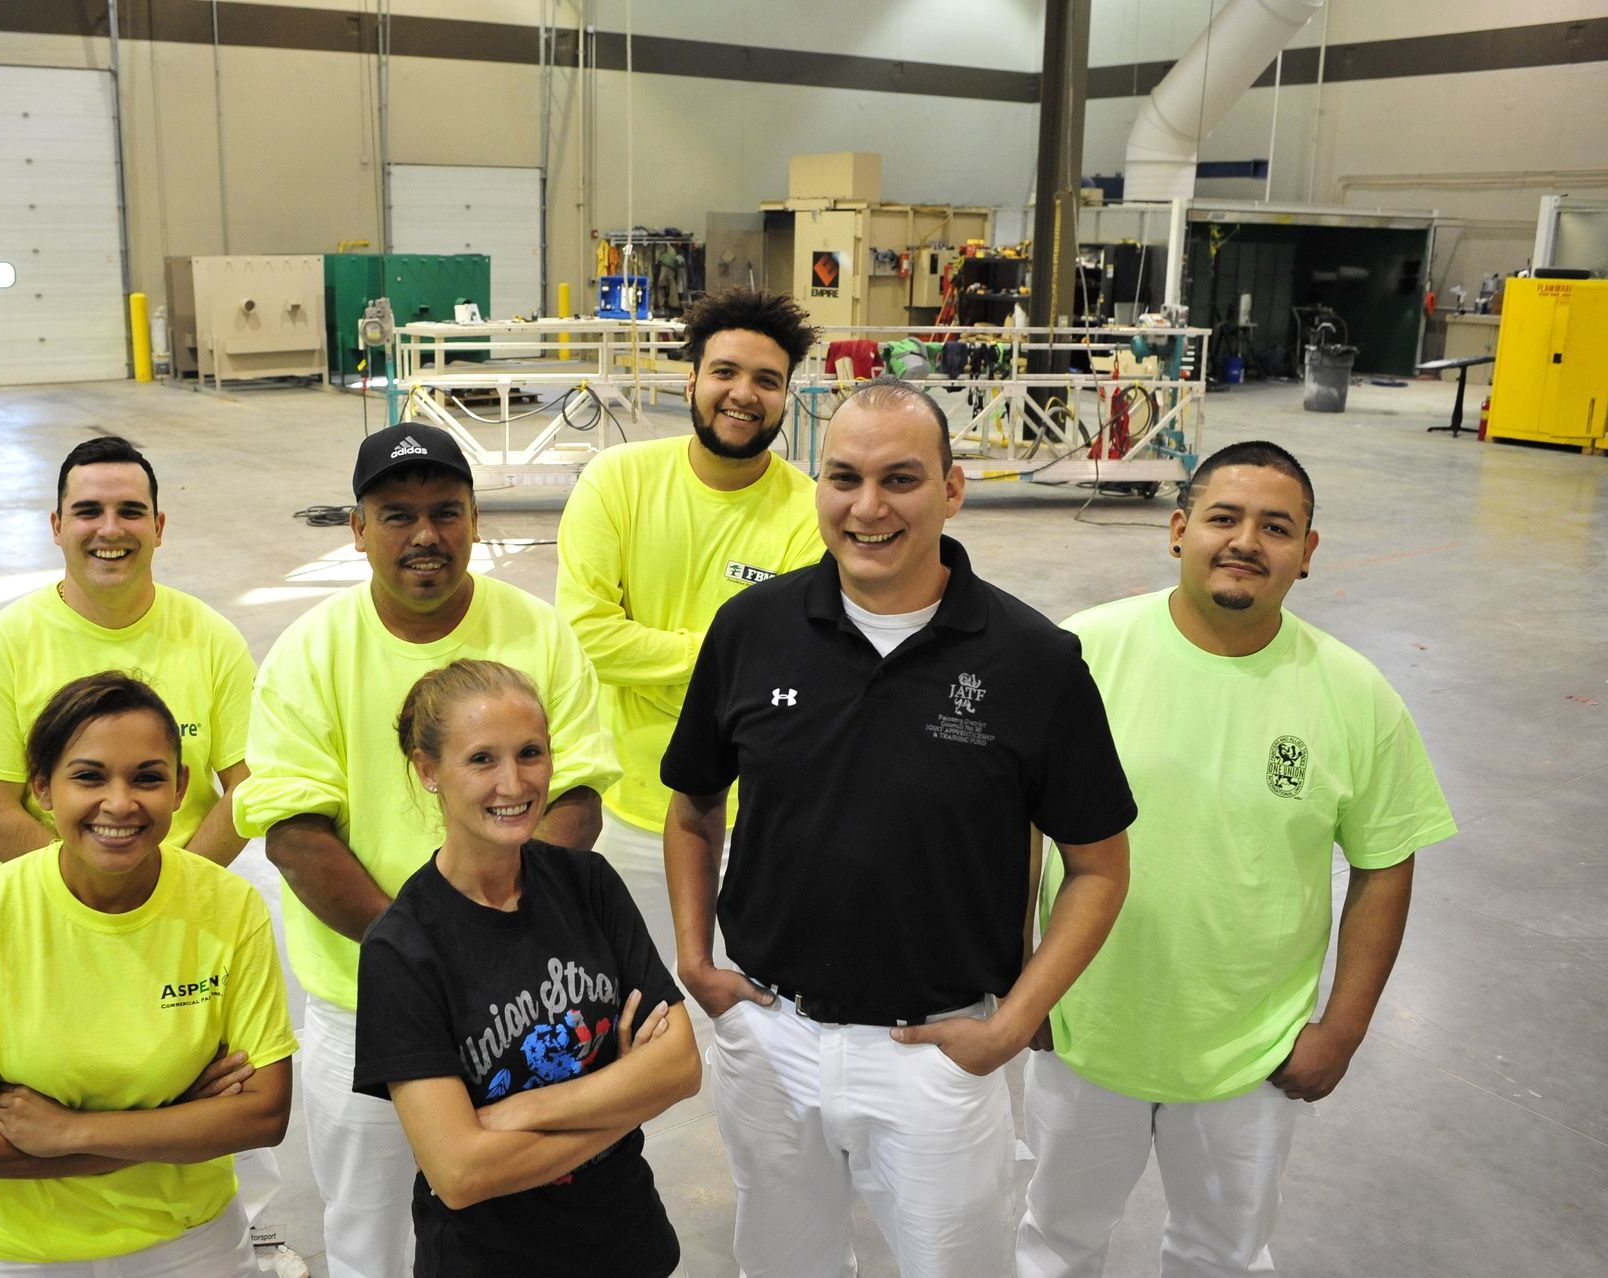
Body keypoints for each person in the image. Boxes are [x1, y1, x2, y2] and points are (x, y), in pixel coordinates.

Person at [661, 378, 1136, 1278]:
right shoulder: (751, 630)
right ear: (817, 486)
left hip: (939, 1054)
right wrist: (696, 960)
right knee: (781, 1263)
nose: (867, 507)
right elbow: (692, 805)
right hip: (770, 1034)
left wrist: (1012, 1024)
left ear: (952, 490)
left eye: (901, 479)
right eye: (843, 477)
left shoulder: (1034, 659)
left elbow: (1100, 869)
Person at [1016, 441, 1457, 1278]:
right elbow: (1016, 823)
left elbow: (1385, 862)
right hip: (1084, 1028)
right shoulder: (1079, 655)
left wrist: (1345, 1030)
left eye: (1276, 526)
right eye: (1223, 517)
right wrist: (1019, 980)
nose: (1246, 540)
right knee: (1057, 1241)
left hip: (1252, 1050)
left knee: (1222, 1255)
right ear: (1179, 530)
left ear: (1307, 553)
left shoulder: (1355, 694)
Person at [233, 421, 621, 1278]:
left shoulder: (539, 634)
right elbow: (297, 839)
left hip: (526, 1003)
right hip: (364, 1005)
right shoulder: (310, 653)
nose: (425, 536)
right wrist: (427, 962)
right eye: (396, 514)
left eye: (446, 511)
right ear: (358, 528)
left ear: (476, 522)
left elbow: (578, 798)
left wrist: (492, 959)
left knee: (528, 1229)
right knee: (369, 1234)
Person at [0, 672, 297, 1276]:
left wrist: (69, 1130)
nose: (120, 803)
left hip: (195, 1237)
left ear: (180, 788)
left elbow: (262, 1116)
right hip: (26, 1252)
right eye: (88, 776)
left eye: (148, 777)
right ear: (43, 788)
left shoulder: (228, 907)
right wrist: (176, 1124)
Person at [354, 659, 701, 1277]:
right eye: (482, 759)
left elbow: (680, 1067)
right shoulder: (403, 949)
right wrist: (623, 1094)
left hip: (626, 1245)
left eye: (530, 753)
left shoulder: (587, 883)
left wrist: (521, 1113)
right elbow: (460, 1173)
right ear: (428, 770)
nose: (514, 784)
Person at [555, 286, 822, 912]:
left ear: (787, 397)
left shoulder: (812, 512)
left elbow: (795, 670)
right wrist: (726, 661)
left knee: (751, 1001)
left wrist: (649, 659)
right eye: (724, 372)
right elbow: (586, 639)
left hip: (755, 814)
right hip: (628, 805)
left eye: (767, 379)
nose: (743, 393)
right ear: (690, 380)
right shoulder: (617, 481)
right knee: (638, 1004)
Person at [0, 435, 255, 866]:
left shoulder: (215, 640)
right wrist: (88, 891)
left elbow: (249, 786)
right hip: (49, 896)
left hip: (186, 892)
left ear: (158, 527)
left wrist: (176, 889)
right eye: (88, 511)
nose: (110, 529)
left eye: (130, 511)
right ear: (57, 526)